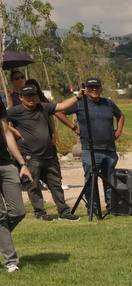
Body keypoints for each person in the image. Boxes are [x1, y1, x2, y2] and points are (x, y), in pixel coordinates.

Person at [8, 85, 80, 221]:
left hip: (49, 155)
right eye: (28, 96)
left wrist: (78, 96)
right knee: (33, 186)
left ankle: (64, 212)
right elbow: (2, 122)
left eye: (33, 95)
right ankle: (40, 212)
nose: (31, 98)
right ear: (21, 98)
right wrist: (13, 131)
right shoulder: (15, 111)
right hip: (30, 156)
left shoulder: (44, 107)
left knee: (56, 184)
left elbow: (62, 106)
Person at [71, 77, 124, 218]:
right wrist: (73, 126)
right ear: (86, 89)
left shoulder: (108, 103)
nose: (94, 90)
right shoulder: (80, 103)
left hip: (109, 149)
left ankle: (111, 207)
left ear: (101, 88)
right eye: (90, 87)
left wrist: (118, 131)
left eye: (96, 87)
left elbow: (120, 115)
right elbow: (59, 112)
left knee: (109, 180)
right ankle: (93, 208)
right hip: (90, 149)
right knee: (90, 180)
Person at [0, 98, 34, 272]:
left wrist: (22, 164)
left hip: (6, 164)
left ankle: (2, 240)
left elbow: (6, 133)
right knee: (1, 214)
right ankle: (11, 261)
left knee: (18, 211)